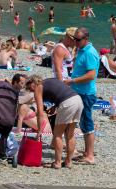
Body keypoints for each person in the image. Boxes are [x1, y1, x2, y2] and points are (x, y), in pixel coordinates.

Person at [25, 75, 82, 169]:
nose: (31, 91)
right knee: (70, 134)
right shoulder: (51, 80)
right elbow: (61, 92)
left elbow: (40, 111)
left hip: (67, 103)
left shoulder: (38, 86)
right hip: (77, 100)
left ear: (33, 83)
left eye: (29, 88)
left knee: (57, 134)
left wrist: (39, 130)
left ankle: (57, 163)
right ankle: (68, 162)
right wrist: (55, 106)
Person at [66, 26, 98, 165]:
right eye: (74, 39)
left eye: (78, 40)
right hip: (78, 91)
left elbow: (91, 75)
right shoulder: (81, 49)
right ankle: (86, 152)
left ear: (86, 39)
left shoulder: (90, 52)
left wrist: (72, 80)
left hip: (86, 93)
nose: (75, 42)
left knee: (86, 122)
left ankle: (90, 155)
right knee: (83, 122)